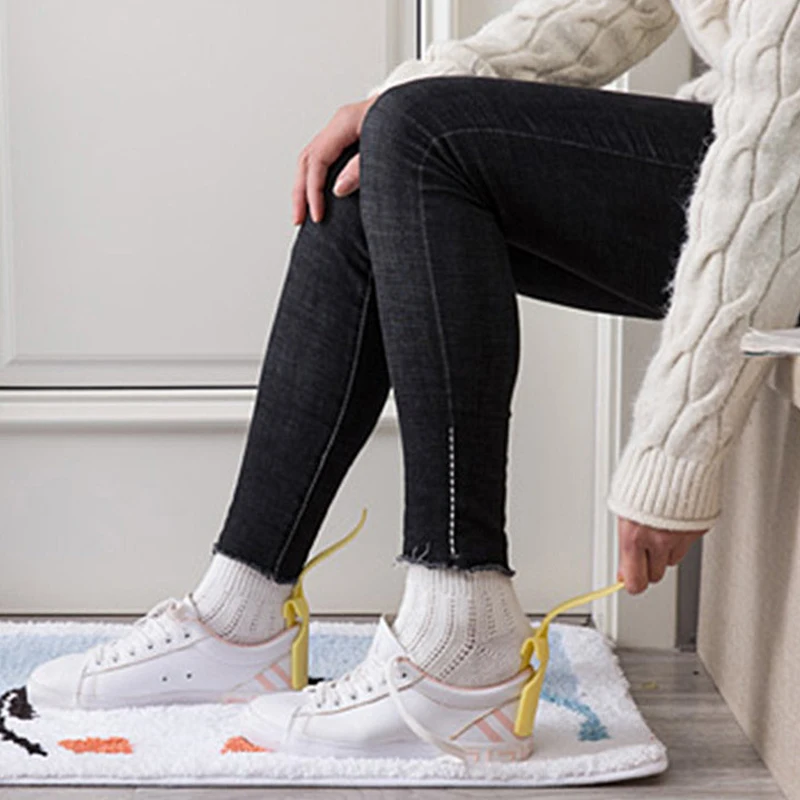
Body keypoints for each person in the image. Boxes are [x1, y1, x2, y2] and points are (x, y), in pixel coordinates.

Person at [26, 0, 800, 762]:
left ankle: (461, 637)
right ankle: (240, 615)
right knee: (371, 164)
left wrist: (676, 448)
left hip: (780, 169)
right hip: (745, 131)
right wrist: (393, 100)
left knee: (417, 137)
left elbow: (776, 154)